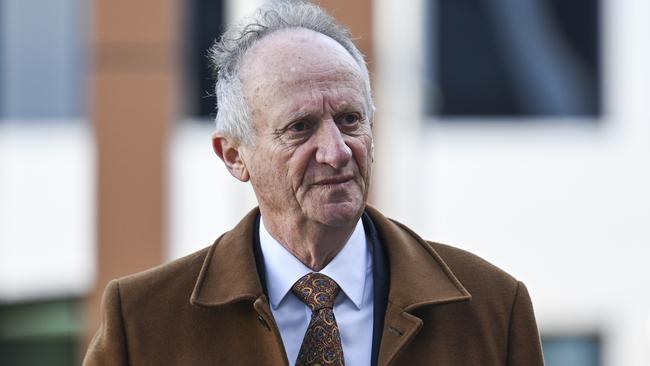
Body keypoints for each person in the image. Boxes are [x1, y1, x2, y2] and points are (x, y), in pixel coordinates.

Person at [84, 1, 544, 365]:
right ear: (233, 156)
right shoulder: (144, 322)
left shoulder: (491, 309)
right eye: (300, 127)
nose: (337, 150)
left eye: (350, 120)